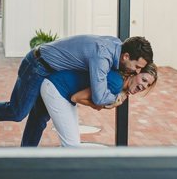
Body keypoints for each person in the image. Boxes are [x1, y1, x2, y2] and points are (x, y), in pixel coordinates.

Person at [0, 33, 154, 143]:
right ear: (126, 56)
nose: (136, 71)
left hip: (50, 72)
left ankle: (26, 156)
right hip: (38, 64)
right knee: (17, 112)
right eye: (137, 67)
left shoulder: (116, 46)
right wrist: (118, 96)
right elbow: (99, 98)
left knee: (38, 120)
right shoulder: (103, 57)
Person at [24, 62, 158, 149]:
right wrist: (101, 106)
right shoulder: (116, 82)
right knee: (72, 145)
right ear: (135, 73)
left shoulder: (119, 82)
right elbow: (76, 97)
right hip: (57, 88)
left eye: (148, 85)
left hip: (59, 87)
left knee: (46, 127)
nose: (144, 86)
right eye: (144, 80)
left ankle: (25, 161)